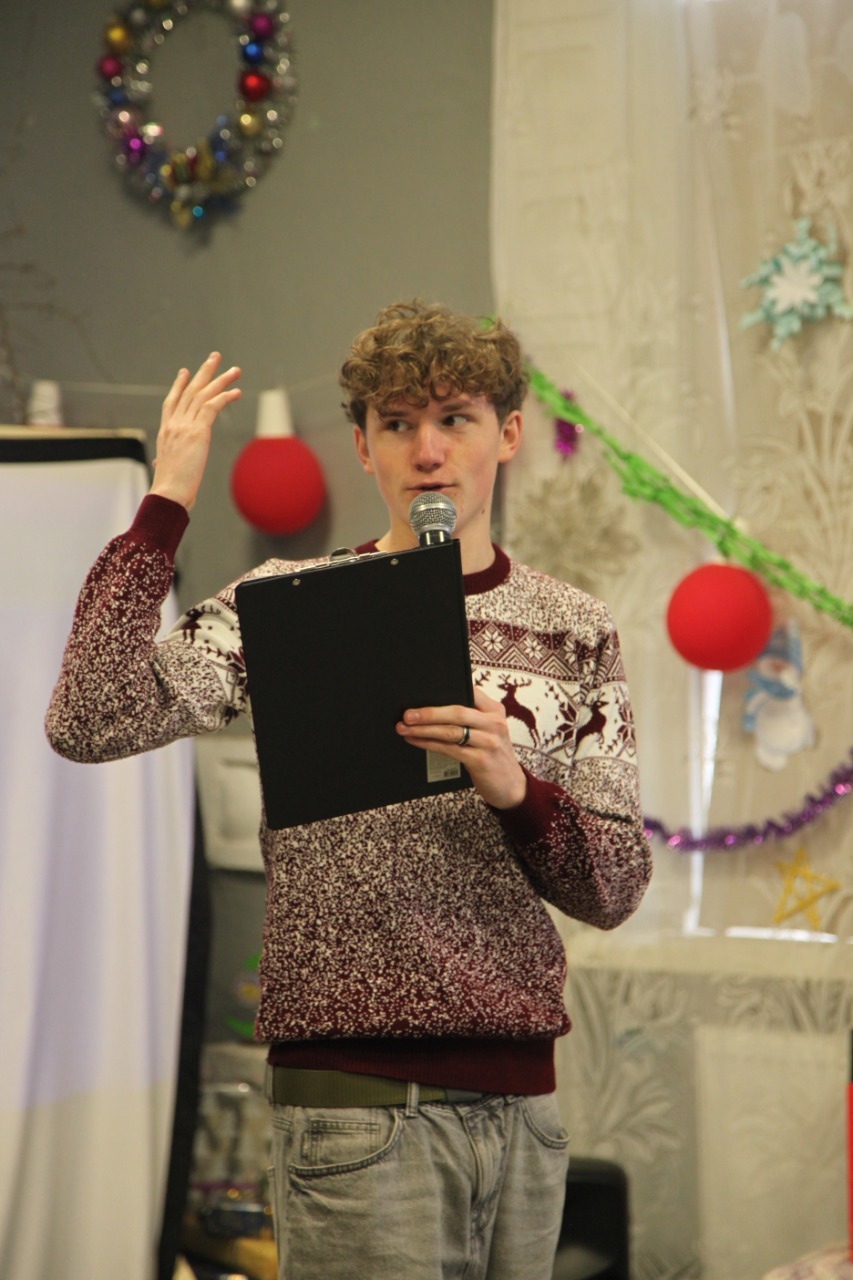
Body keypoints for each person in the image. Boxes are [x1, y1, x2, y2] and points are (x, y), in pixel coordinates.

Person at [46, 300, 652, 1280]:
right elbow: (88, 718)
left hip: (523, 1115)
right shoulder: (286, 608)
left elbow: (616, 883)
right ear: (363, 448)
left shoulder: (574, 629)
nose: (427, 450)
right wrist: (165, 501)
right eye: (396, 423)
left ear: (506, 434)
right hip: (354, 1112)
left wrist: (516, 790)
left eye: (454, 419)